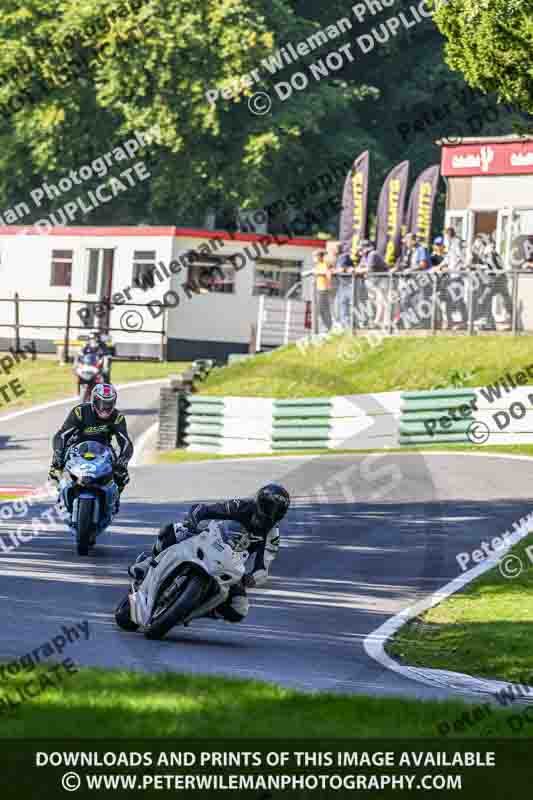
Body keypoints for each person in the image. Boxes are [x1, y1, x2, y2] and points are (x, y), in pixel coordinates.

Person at [128, 484, 291, 624]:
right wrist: (193, 521)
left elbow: (263, 567)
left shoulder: (272, 535)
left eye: (275, 511)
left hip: (231, 565)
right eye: (267, 507)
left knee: (239, 609)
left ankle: (197, 608)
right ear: (258, 502)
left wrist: (252, 578)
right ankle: (148, 563)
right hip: (210, 540)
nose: (269, 513)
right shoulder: (241, 506)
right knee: (174, 530)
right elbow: (204, 509)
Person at [48, 384, 133, 507]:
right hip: (76, 447)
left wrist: (123, 461)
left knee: (123, 475)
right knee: (55, 468)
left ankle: (113, 501)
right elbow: (61, 435)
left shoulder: (117, 417)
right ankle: (62, 494)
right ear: (94, 400)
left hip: (103, 450)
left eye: (109, 404)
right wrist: (58, 454)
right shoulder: (80, 412)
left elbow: (125, 442)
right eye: (102, 403)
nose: (105, 408)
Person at [330, 241, 354, 330]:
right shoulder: (338, 258)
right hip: (343, 286)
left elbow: (341, 269)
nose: (332, 251)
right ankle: (343, 327)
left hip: (348, 285)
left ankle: (347, 328)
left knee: (343, 307)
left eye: (333, 249)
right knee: (338, 307)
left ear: (337, 249)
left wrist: (332, 271)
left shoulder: (343, 256)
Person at [313, 250, 332, 332]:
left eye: (315, 256)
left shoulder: (325, 264)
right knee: (321, 309)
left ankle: (328, 327)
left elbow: (327, 273)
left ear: (320, 256)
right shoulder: (317, 265)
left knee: (322, 309)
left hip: (324, 288)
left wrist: (318, 273)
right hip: (319, 288)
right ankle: (327, 327)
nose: (314, 258)